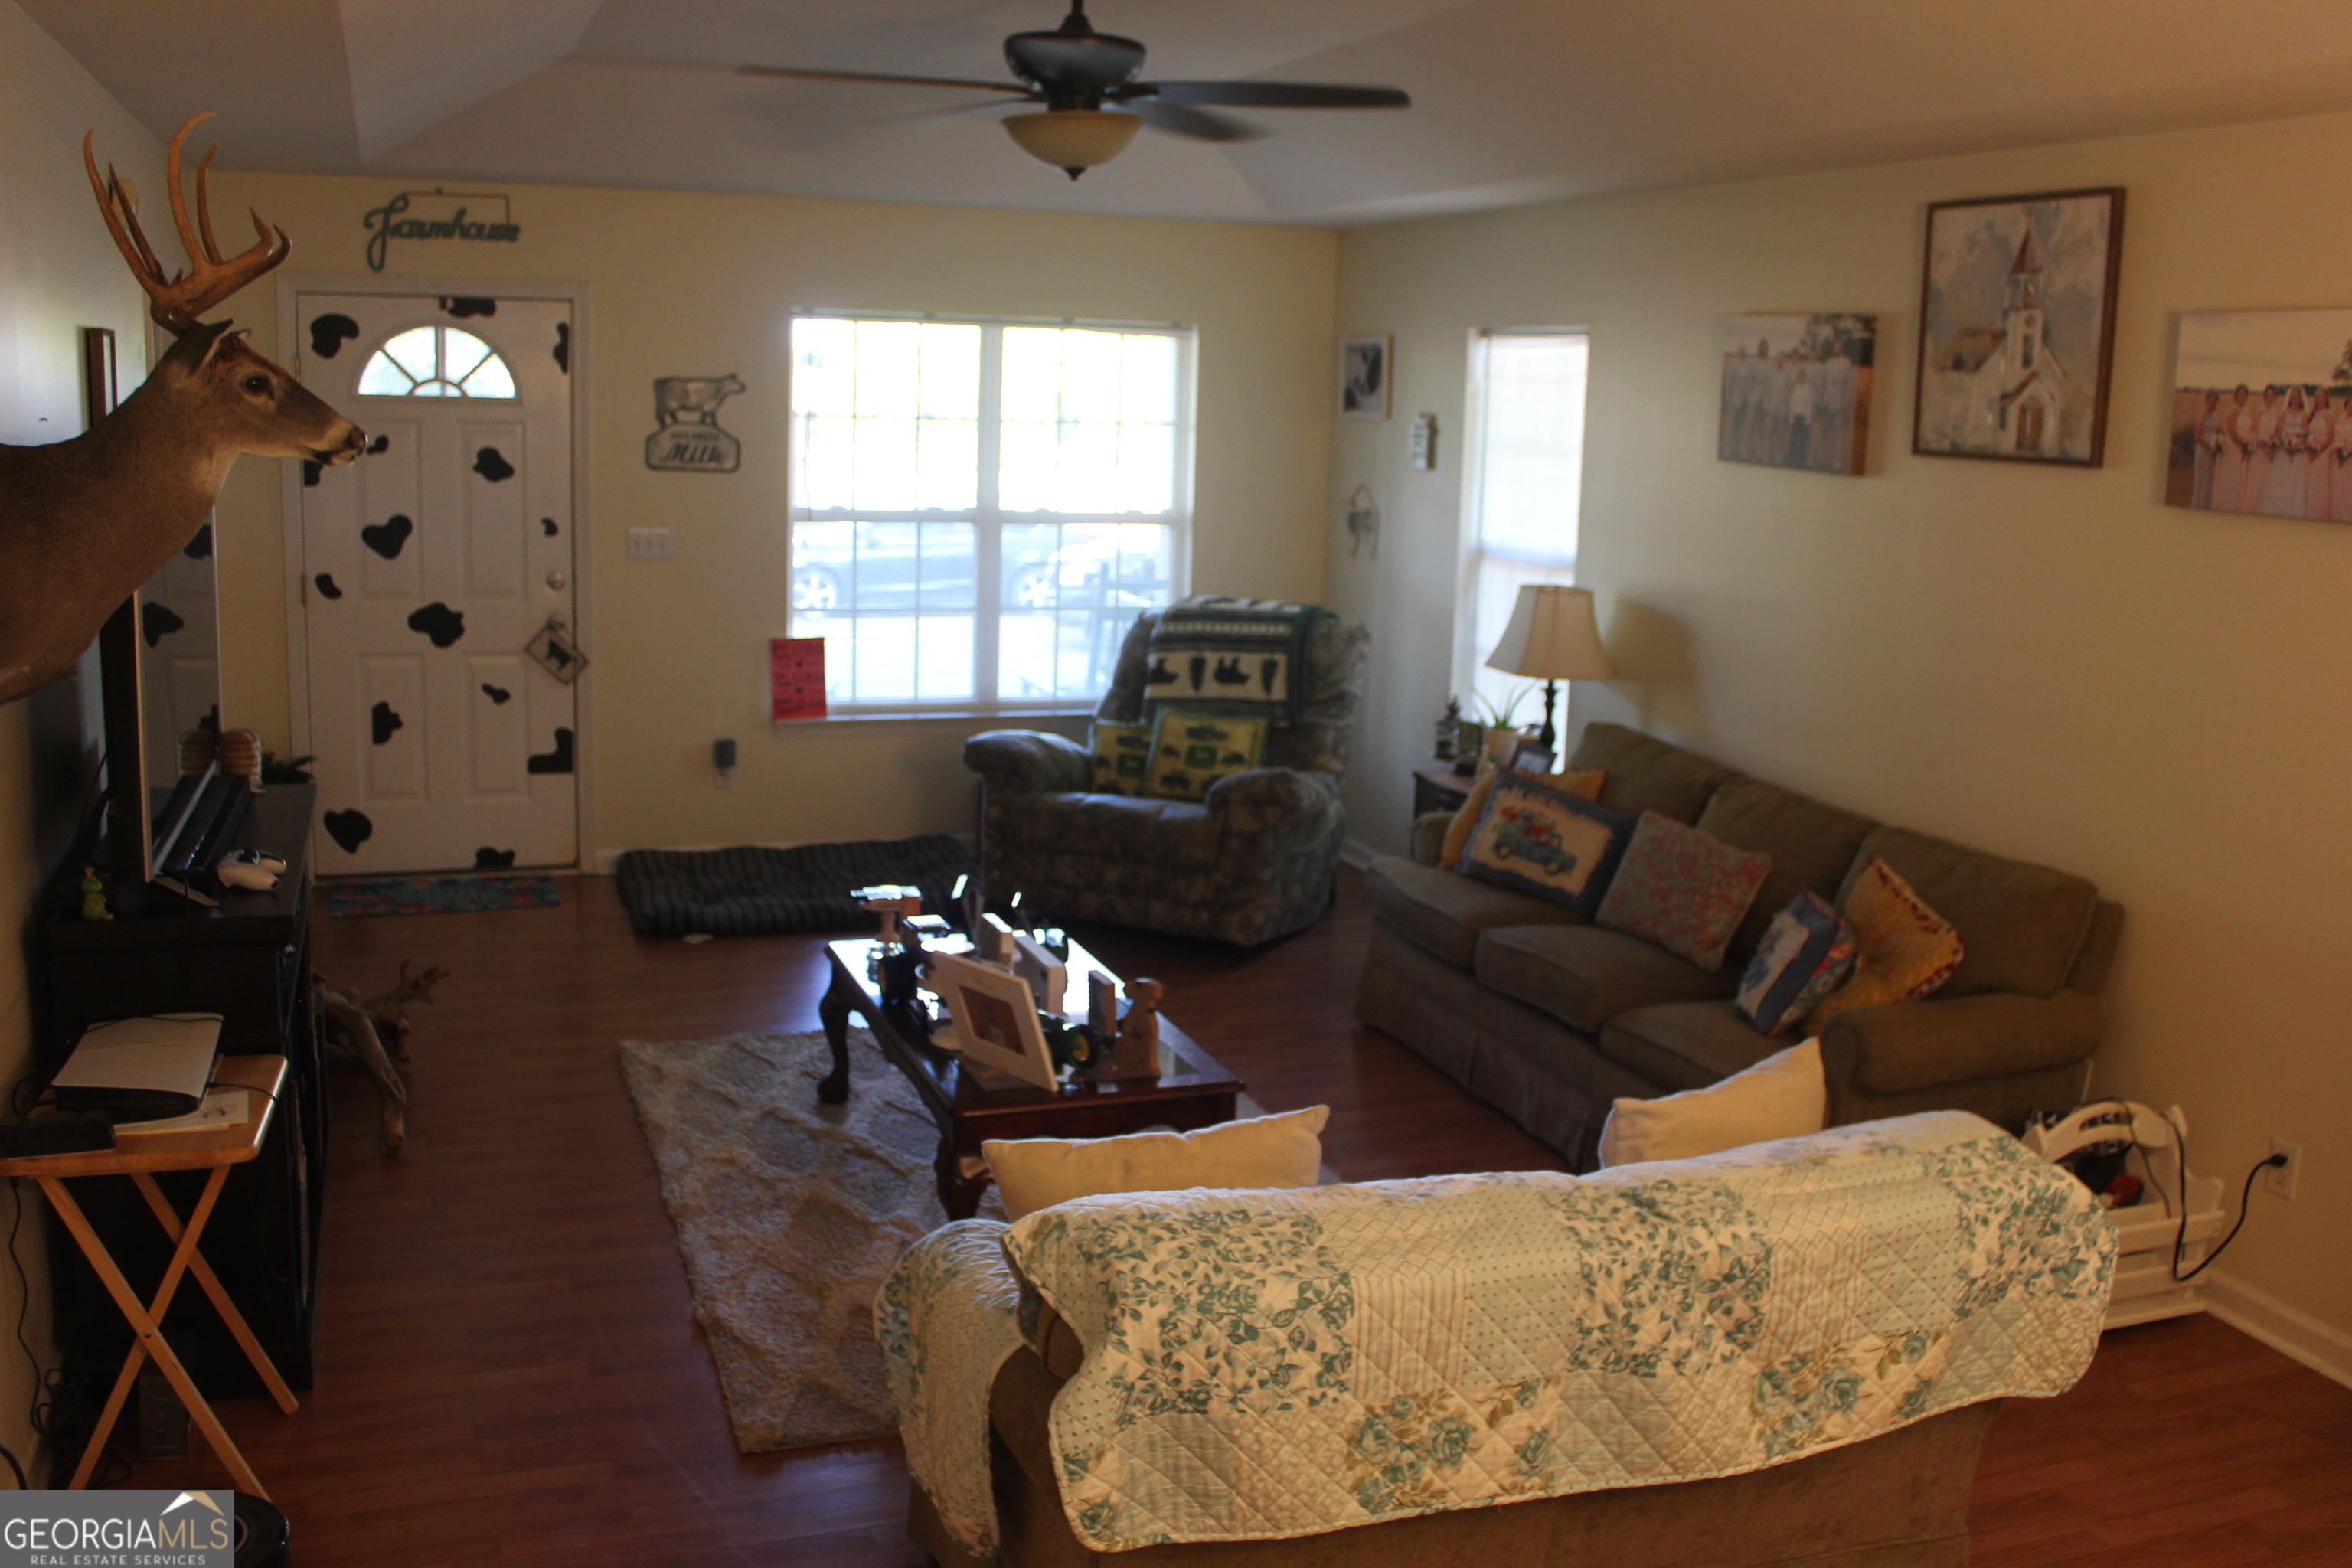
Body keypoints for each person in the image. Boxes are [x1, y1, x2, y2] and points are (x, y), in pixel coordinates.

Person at [2260, 385, 2308, 517]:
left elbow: (2305, 432)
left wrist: (2297, 441)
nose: (2295, 399)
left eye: (2297, 396)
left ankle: (2294, 511)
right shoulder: (2283, 413)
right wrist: (2282, 442)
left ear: (2301, 399)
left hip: (2297, 453)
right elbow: (2278, 432)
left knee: (2295, 481)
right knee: (2281, 480)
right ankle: (2277, 509)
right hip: (2283, 452)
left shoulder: (2304, 415)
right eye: (2293, 396)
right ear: (2289, 398)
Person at [2214, 384, 2254, 512]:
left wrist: (2248, 443)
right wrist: (2241, 446)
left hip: (2243, 446)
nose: (2243, 397)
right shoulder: (2233, 410)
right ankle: (2227, 505)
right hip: (2233, 447)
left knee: (2239, 477)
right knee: (2231, 477)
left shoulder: (2246, 410)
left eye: (2245, 394)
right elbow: (2231, 431)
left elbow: (2249, 429)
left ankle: (2237, 505)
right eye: (2240, 394)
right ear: (2236, 396)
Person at [2243, 385, 2282, 514]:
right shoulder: (2259, 411)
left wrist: (2273, 445)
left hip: (2271, 451)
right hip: (2259, 450)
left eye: (2272, 395)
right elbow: (2254, 430)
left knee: (2268, 480)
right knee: (2256, 479)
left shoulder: (2278, 413)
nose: (2270, 398)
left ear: (2275, 397)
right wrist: (2261, 446)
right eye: (2267, 395)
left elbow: (2278, 432)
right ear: (2264, 397)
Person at [2305, 384, 2335, 521]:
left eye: (2323, 397)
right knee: (2309, 481)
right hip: (2309, 451)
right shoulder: (2311, 414)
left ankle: (2319, 513)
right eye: (2318, 397)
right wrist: (2309, 447)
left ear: (2327, 399)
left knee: (2320, 482)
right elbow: (2306, 433)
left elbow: (2330, 437)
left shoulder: (2329, 415)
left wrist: (2318, 452)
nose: (2320, 399)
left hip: (2322, 452)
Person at [2190, 389, 2223, 509]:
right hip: (2204, 451)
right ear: (2206, 401)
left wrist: (2219, 444)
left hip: (2213, 452)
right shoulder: (2202, 417)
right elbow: (2197, 436)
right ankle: (2199, 505)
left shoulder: (2216, 418)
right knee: (2201, 479)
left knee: (2210, 480)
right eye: (2210, 401)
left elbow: (2219, 432)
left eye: (2215, 401)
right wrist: (2209, 446)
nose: (2212, 403)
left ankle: (2208, 505)